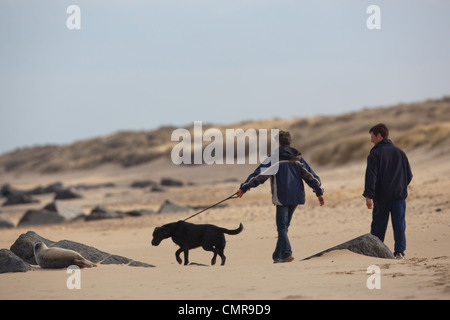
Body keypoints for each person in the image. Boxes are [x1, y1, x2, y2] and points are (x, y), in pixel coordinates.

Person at [236, 130, 325, 263]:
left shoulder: (274, 158)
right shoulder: (297, 157)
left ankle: (286, 253)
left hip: (282, 196)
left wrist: (244, 188)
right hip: (296, 196)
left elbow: (259, 175)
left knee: (282, 227)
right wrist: (319, 191)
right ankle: (277, 255)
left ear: (277, 142)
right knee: (284, 226)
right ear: (290, 141)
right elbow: (310, 175)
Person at [363, 123, 413, 259]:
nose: (371, 139)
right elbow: (409, 175)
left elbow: (371, 177)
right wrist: (399, 186)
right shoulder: (400, 152)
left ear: (379, 135)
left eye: (372, 136)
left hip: (382, 198)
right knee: (399, 225)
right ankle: (399, 252)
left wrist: (368, 195)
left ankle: (376, 252)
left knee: (378, 224)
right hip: (399, 197)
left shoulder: (374, 154)